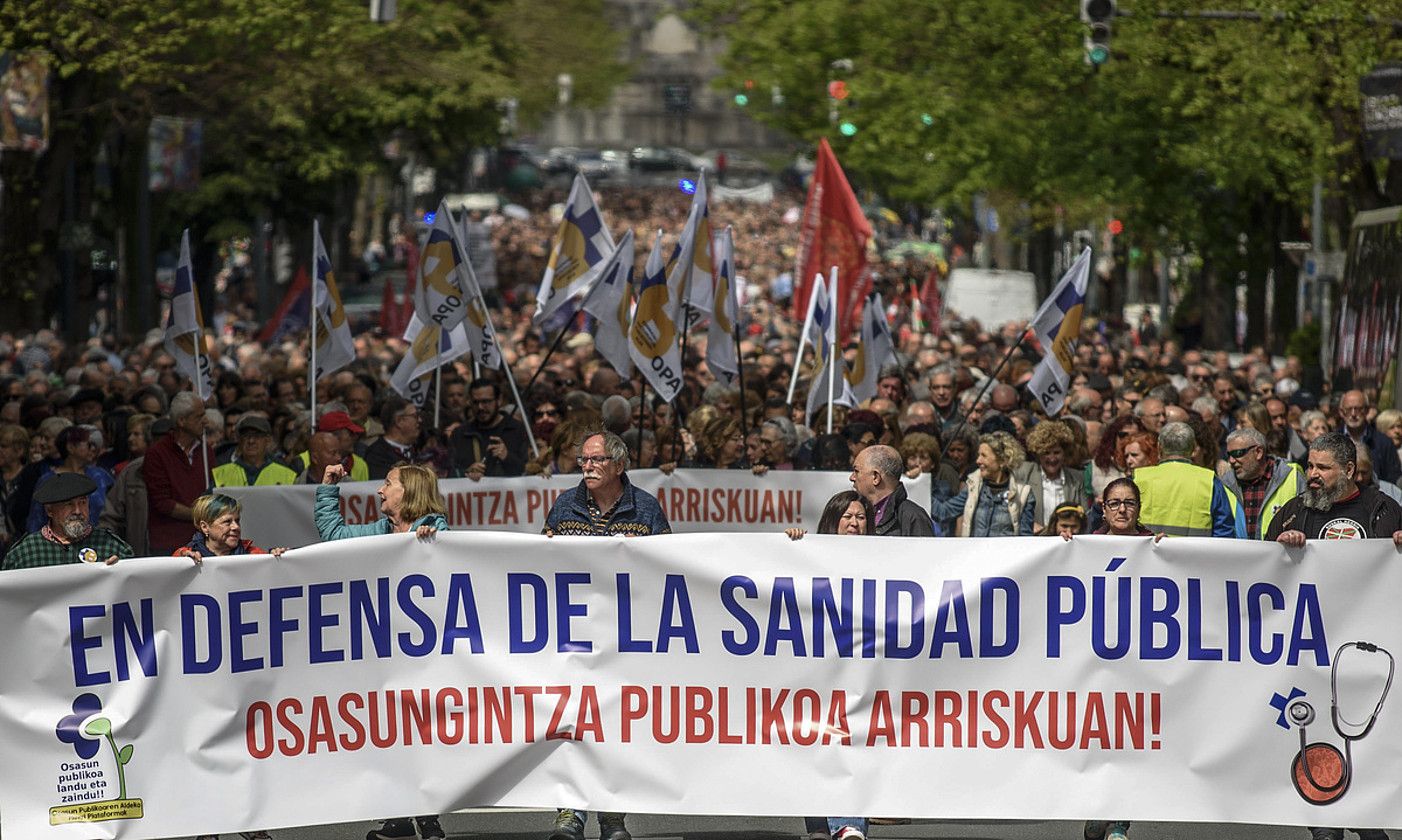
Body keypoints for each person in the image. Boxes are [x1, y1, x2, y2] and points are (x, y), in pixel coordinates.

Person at [1265, 432, 1401, 840]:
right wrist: (1279, 546)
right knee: (1315, 734)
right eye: (1310, 466)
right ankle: (1325, 822)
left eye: (1323, 468)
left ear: (1349, 469)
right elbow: (1258, 567)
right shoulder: (1294, 511)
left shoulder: (1383, 510)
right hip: (1309, 649)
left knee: (1363, 735)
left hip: (1366, 650)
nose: (1313, 475)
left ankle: (1369, 819)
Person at [543, 430, 669, 840]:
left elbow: (671, 570)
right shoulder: (565, 506)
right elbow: (540, 564)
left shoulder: (646, 509)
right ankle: (571, 812)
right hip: (574, 635)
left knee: (614, 726)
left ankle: (612, 816)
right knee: (571, 721)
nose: (587, 467)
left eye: (595, 460)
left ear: (619, 464)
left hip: (624, 637)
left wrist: (644, 553)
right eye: (583, 460)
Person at [316, 460, 447, 840]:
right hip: (385, 650)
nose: (379, 491)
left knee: (425, 731)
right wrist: (328, 488)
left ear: (409, 492)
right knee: (390, 729)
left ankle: (428, 815)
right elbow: (333, 535)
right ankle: (401, 817)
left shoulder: (436, 529)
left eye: (387, 484)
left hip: (426, 654)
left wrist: (432, 539)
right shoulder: (380, 531)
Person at [782, 489, 875, 840]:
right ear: (832, 521)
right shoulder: (811, 553)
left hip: (860, 667)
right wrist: (794, 546)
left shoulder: (888, 558)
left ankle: (848, 824)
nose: (854, 523)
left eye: (861, 517)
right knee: (814, 742)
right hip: (817, 665)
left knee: (852, 742)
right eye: (847, 517)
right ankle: (820, 824)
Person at [3, 473, 133, 569]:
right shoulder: (24, 554)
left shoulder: (111, 546)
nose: (77, 511)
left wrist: (122, 569)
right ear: (49, 510)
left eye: (82, 502)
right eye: (68, 504)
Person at [143, 392, 217, 555]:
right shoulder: (157, 454)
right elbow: (162, 503)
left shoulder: (206, 452)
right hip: (169, 543)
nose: (206, 421)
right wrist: (199, 516)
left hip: (205, 541)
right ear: (182, 421)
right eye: (199, 417)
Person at [1133, 421, 1236, 537]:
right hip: (1195, 554)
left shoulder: (1139, 478)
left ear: (1159, 447)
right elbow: (1223, 531)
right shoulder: (1209, 481)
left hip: (1148, 554)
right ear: (1193, 448)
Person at [935, 432, 1035, 537]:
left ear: (1003, 460)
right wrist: (921, 483)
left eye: (984, 455)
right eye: (978, 455)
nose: (978, 461)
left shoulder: (1023, 494)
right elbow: (943, 513)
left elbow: (1026, 540)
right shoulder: (973, 487)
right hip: (975, 553)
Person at [25, 425, 114, 534]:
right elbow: (36, 520)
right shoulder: (47, 480)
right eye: (88, 444)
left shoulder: (101, 475)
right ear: (71, 447)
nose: (93, 449)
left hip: (98, 543)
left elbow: (113, 514)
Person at [1225, 426, 1304, 539]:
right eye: (1229, 455)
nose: (1231, 461)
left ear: (1258, 452)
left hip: (1280, 554)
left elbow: (1307, 518)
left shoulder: (1291, 476)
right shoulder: (1225, 484)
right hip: (1239, 555)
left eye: (1238, 453)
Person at [450, 378, 530, 479]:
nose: (480, 407)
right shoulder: (460, 434)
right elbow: (450, 472)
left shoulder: (517, 429)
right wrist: (466, 472)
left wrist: (507, 457)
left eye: (486, 401)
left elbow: (529, 471)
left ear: (499, 400)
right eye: (475, 402)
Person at [849, 444, 935, 537]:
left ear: (876, 477)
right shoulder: (854, 513)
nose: (852, 477)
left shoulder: (913, 517)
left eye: (856, 471)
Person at [174, 494, 288, 563]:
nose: (236, 527)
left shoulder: (254, 555)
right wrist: (182, 563)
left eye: (237, 521)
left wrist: (276, 559)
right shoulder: (186, 556)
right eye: (227, 522)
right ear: (205, 527)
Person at [1020, 420, 1085, 532]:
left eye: (1056, 452)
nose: (1052, 458)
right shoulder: (1026, 473)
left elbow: (1084, 516)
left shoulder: (1077, 478)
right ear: (1038, 454)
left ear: (1064, 453)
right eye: (1046, 453)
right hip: (1035, 540)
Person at [1337, 389, 1401, 484]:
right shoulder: (1334, 441)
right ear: (1342, 412)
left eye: (1358, 409)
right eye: (1349, 409)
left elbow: (1393, 478)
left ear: (1367, 410)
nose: (1354, 414)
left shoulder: (1384, 443)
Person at [213, 415, 296, 487]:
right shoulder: (221, 474)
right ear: (239, 440)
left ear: (268, 440)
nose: (251, 441)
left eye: (257, 436)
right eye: (246, 435)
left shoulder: (286, 475)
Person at [364, 397, 421, 480]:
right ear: (399, 421)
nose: (420, 420)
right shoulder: (376, 454)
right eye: (415, 416)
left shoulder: (417, 449)